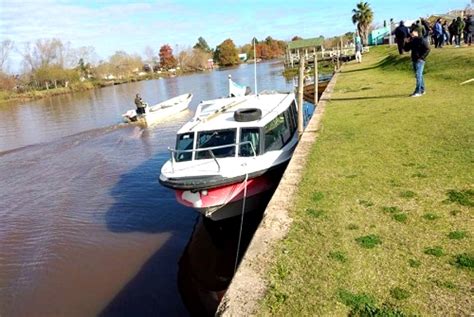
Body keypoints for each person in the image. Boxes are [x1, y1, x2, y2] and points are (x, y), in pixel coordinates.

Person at [404, 30, 430, 97]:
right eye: (411, 34)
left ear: (416, 34)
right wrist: (406, 42)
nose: (412, 35)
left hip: (420, 60)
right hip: (414, 59)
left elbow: (427, 49)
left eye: (413, 34)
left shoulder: (421, 39)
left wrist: (421, 57)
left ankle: (418, 91)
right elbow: (406, 49)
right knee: (419, 75)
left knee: (418, 75)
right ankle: (422, 89)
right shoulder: (412, 41)